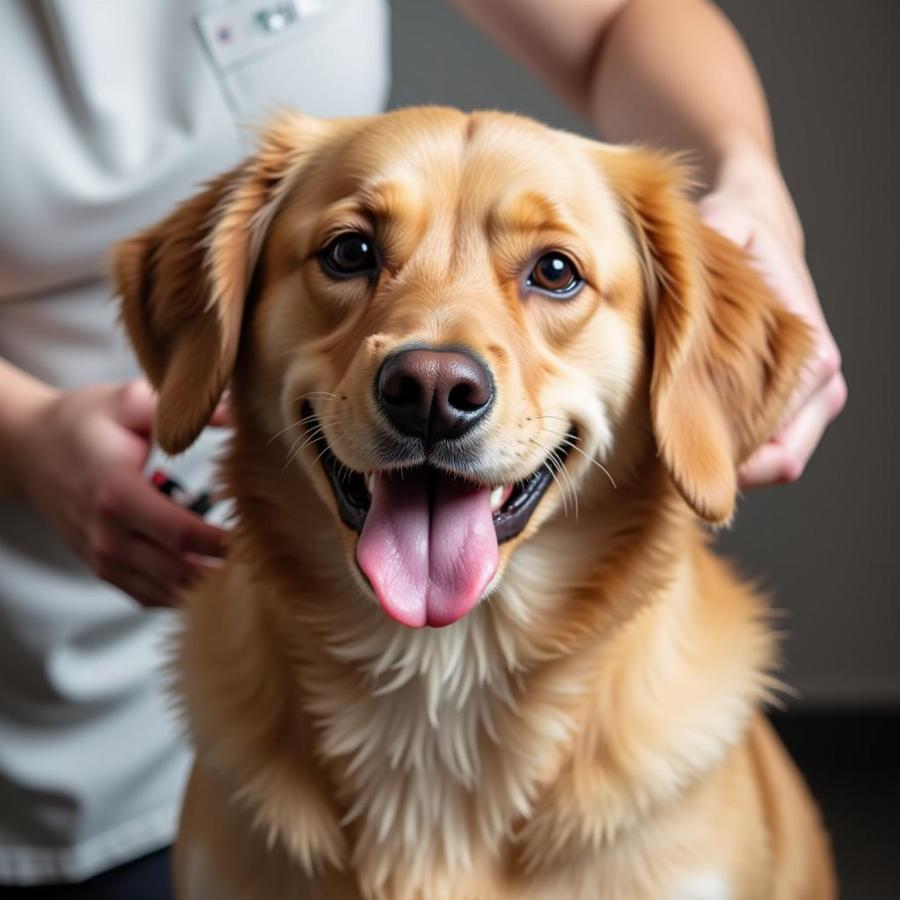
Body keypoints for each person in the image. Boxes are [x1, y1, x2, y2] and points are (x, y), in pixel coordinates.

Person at [0, 0, 846, 895]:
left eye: (553, 272)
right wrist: (20, 435)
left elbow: (618, 20)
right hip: (84, 711)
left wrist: (749, 179)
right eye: (351, 252)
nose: (436, 366)